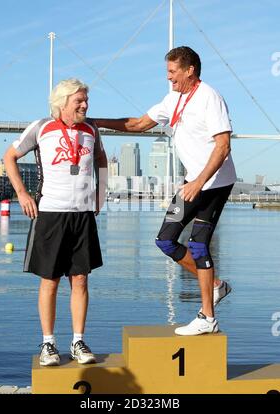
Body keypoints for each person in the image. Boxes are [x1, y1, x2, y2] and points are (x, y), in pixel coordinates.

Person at [95, 46, 236, 336]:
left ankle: (207, 317)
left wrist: (198, 182)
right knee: (166, 241)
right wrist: (94, 122)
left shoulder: (210, 97)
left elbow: (223, 146)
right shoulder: (173, 98)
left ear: (189, 70)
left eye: (173, 72)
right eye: (167, 72)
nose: (169, 78)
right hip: (193, 181)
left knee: (198, 245)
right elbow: (137, 123)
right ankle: (216, 286)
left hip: (215, 181)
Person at [4, 78, 107, 365]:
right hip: (50, 213)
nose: (85, 105)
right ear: (62, 103)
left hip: (83, 215)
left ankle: (78, 342)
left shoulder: (91, 129)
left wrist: (101, 195)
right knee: (50, 281)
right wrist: (22, 193)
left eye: (86, 100)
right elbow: (10, 157)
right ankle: (49, 344)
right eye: (79, 101)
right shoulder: (41, 128)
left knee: (81, 280)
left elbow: (101, 160)